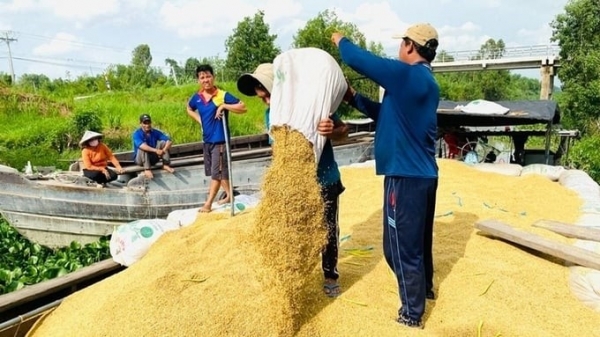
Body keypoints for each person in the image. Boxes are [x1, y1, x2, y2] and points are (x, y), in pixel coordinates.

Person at [332, 23, 440, 328]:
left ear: (409, 46)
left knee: (398, 247)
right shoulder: (423, 82)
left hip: (404, 176)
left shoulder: (406, 75)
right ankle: (425, 290)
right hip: (423, 175)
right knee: (419, 241)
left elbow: (357, 59)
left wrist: (341, 40)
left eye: (401, 43)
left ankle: (411, 314)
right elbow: (386, 114)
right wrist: (354, 99)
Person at [237, 62, 349, 298]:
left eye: (268, 95)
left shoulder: (314, 105)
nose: (266, 102)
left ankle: (330, 275)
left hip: (325, 179)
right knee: (295, 230)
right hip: (293, 187)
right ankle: (297, 274)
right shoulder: (272, 115)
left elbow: (344, 132)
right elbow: (277, 152)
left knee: (327, 229)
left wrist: (332, 131)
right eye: (261, 98)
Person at [187, 64, 247, 213]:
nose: (206, 80)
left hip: (220, 140)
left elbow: (242, 107)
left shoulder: (222, 95)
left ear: (213, 77)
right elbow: (189, 108)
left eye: (208, 76)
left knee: (216, 174)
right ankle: (230, 195)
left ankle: (208, 204)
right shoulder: (197, 97)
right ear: (198, 80)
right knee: (219, 172)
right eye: (202, 77)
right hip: (207, 141)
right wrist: (200, 120)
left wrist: (224, 106)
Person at [132, 113, 174, 179]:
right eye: (145, 123)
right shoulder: (137, 134)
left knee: (163, 142)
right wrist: (156, 150)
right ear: (141, 124)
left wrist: (163, 150)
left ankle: (166, 164)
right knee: (143, 148)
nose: (147, 125)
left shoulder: (155, 132)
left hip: (153, 157)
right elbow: (142, 145)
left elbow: (169, 141)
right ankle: (147, 169)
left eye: (148, 123)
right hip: (141, 159)